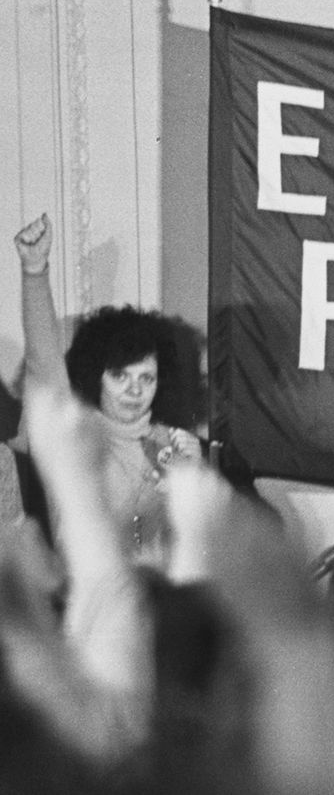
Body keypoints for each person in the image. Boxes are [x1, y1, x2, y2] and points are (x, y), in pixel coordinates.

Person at [14, 214, 201, 570]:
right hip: (91, 613)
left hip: (165, 615)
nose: (135, 390)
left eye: (146, 378)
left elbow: (204, 562)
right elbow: (44, 366)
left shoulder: (175, 445)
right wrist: (34, 273)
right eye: (120, 376)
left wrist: (193, 485)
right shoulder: (73, 438)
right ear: (96, 376)